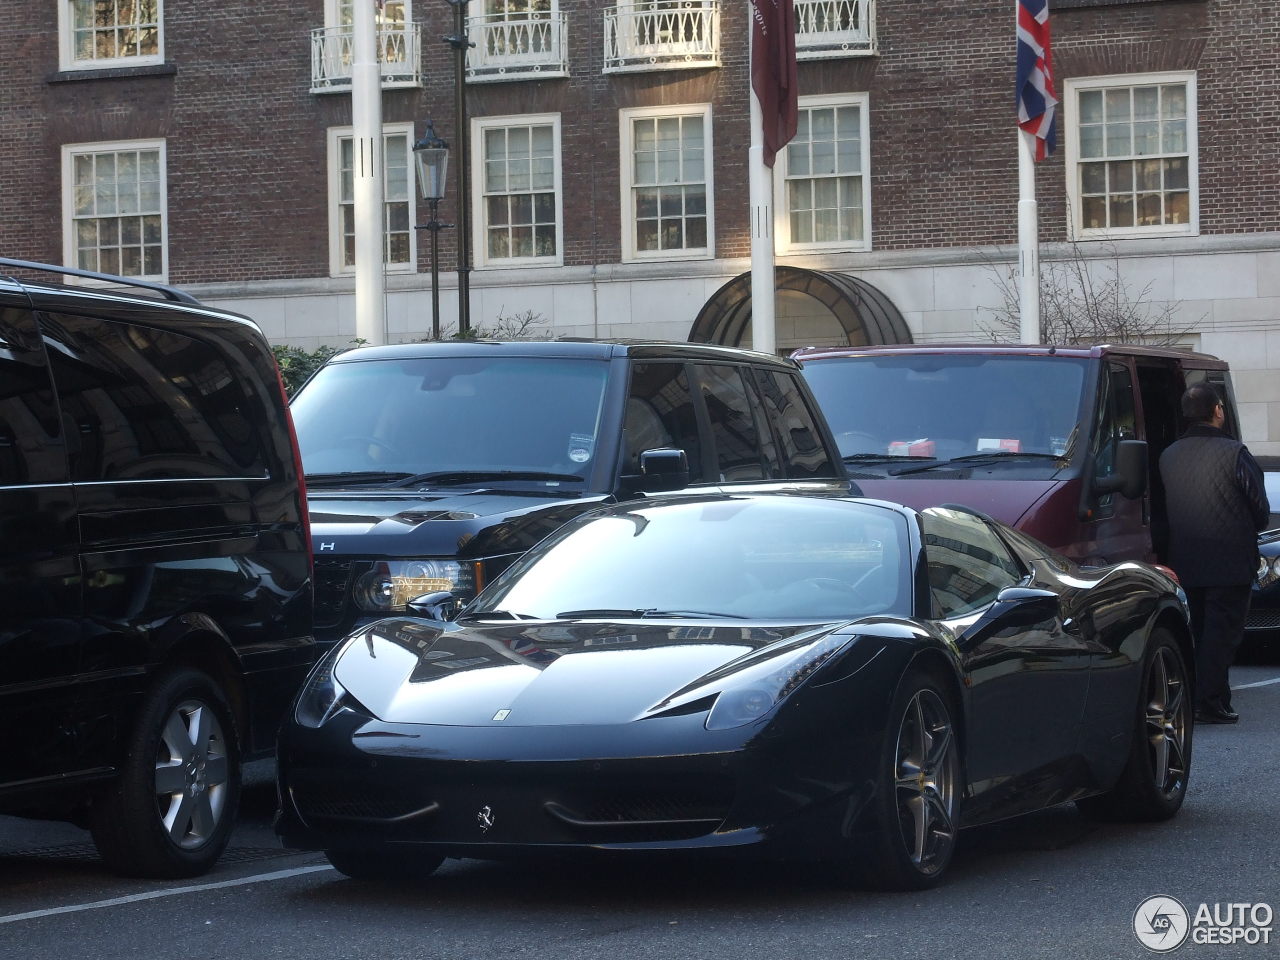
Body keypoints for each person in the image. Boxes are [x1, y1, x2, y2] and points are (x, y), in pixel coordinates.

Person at [1159, 382, 1270, 724]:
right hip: (1229, 561)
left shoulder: (1168, 455)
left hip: (1185, 562)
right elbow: (1259, 508)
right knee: (1222, 636)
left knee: (1198, 633)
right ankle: (1209, 702)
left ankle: (1204, 698)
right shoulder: (1235, 452)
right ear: (1218, 410)